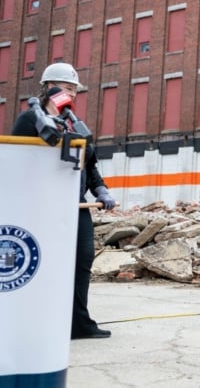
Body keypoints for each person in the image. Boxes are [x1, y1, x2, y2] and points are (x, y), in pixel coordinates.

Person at [12, 62, 117, 339]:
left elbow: (89, 165)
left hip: (76, 205)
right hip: (41, 206)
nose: (71, 94)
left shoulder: (73, 122)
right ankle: (37, 323)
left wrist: (101, 190)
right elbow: (16, 162)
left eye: (74, 90)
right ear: (49, 87)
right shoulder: (29, 120)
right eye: (66, 88)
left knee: (82, 260)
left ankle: (78, 324)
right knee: (44, 264)